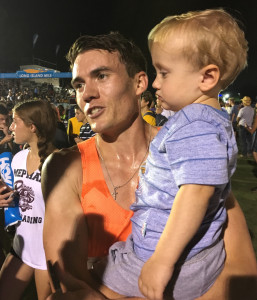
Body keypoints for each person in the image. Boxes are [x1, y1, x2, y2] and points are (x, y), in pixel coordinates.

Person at [42, 32, 257, 300]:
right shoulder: (65, 167)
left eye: (101, 76)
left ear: (139, 82)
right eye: (78, 85)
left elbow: (242, 269)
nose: (87, 94)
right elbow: (70, 283)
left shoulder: (189, 148)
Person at [91, 9, 251, 300]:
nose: (155, 83)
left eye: (163, 72)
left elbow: (195, 194)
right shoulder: (203, 120)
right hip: (185, 254)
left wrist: (162, 261)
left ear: (207, 77)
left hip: (169, 257)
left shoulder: (197, 124)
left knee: (93, 287)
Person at [0, 100, 57, 300]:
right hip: (21, 247)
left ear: (32, 127)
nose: (11, 127)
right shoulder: (17, 158)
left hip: (47, 254)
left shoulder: (59, 161)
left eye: (15, 122)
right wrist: (5, 197)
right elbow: (21, 197)